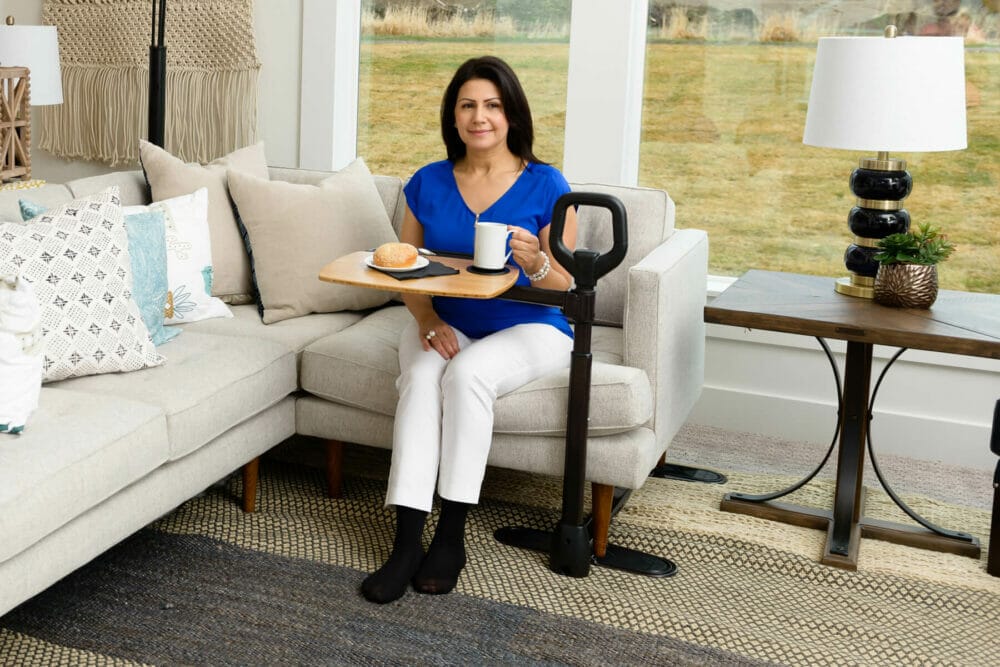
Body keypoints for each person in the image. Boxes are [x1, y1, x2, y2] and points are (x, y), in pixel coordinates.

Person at [361, 55, 578, 604]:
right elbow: (403, 266)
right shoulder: (428, 180)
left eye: (492, 106)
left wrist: (536, 265)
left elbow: (568, 284)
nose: (479, 117)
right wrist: (429, 318)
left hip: (531, 325)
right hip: (444, 319)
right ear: (453, 116)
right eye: (467, 105)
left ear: (511, 115)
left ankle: (451, 535)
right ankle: (406, 540)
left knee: (468, 377)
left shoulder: (547, 184)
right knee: (420, 378)